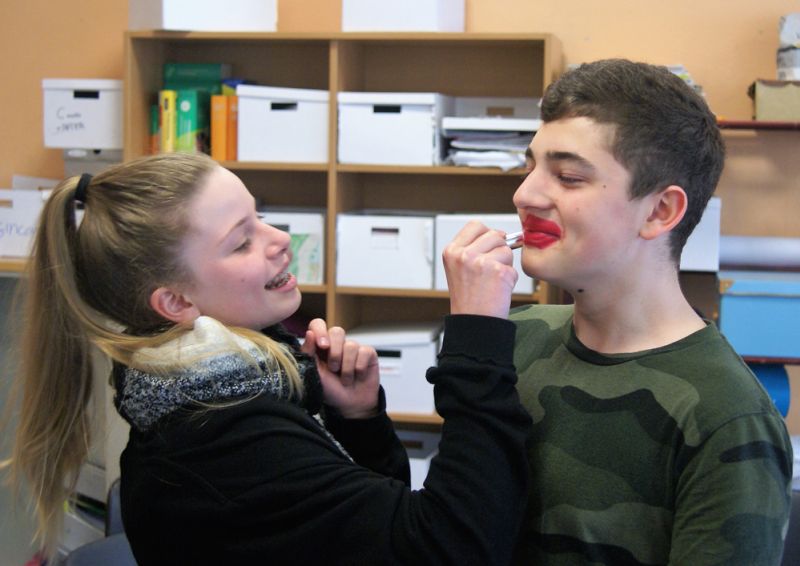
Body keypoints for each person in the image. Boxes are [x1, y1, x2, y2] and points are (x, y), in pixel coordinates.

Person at [3, 152, 532, 565]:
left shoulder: (209, 391)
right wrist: (478, 334)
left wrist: (359, 420)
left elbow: (372, 533)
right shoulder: (223, 439)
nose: (279, 239)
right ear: (177, 303)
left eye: (261, 218)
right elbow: (455, 549)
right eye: (241, 243)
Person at [502, 58, 792, 564]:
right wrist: (364, 419)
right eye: (531, 166)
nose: (524, 194)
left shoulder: (727, 417)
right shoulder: (513, 338)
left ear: (660, 211)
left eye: (568, 177)